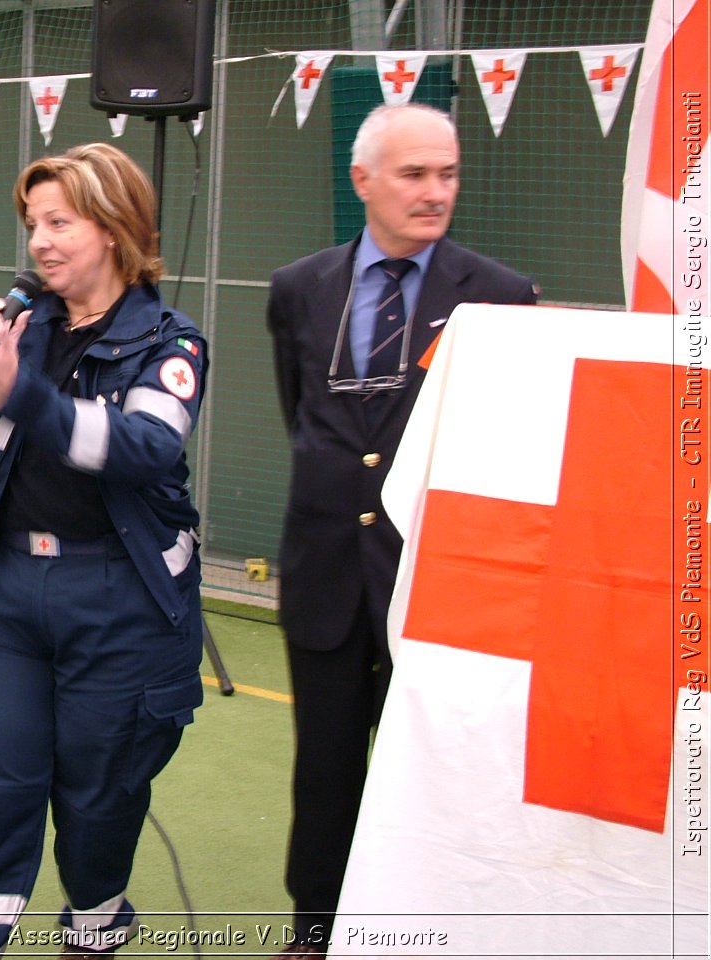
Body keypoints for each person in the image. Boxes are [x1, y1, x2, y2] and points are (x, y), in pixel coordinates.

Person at [0, 142, 208, 959]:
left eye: (59, 222)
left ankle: (95, 924)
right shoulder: (26, 327)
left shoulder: (170, 342)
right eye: (32, 224)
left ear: (113, 228)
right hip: (8, 591)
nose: (39, 241)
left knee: (98, 796)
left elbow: (143, 447)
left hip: (119, 600)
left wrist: (20, 391)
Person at [265, 103, 539, 958]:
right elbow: (304, 416)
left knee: (439, 776)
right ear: (364, 182)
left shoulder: (500, 295)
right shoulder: (299, 288)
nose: (435, 192)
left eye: (448, 174)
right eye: (415, 174)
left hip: (437, 587)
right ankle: (317, 930)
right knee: (327, 770)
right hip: (325, 575)